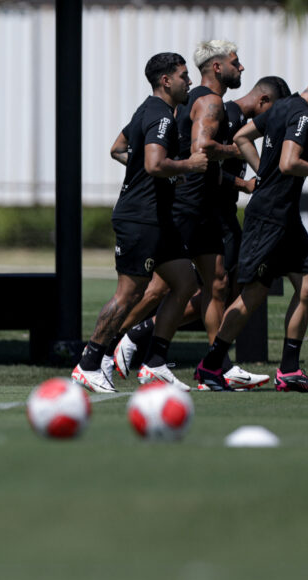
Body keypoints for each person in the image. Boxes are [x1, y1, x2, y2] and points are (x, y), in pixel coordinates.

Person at [114, 74, 291, 389]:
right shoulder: (222, 112)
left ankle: (215, 366)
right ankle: (115, 342)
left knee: (217, 285)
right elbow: (203, 157)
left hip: (215, 213)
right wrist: (242, 178)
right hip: (193, 209)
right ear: (264, 101)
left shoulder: (231, 117)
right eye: (274, 111)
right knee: (160, 289)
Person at [195, 58, 308, 392]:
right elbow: (288, 163)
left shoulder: (282, 107)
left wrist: (261, 173)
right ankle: (210, 365)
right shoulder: (304, 116)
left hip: (284, 215)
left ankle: (290, 371)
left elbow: (242, 136)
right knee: (252, 294)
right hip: (270, 216)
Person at [70, 52, 207, 394]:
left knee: (186, 283)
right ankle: (89, 363)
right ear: (166, 81)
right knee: (129, 293)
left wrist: (153, 173)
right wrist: (188, 165)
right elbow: (155, 164)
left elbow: (118, 149)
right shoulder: (161, 117)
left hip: (158, 218)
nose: (189, 81)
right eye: (184, 76)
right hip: (141, 218)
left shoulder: (147, 110)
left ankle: (155, 363)